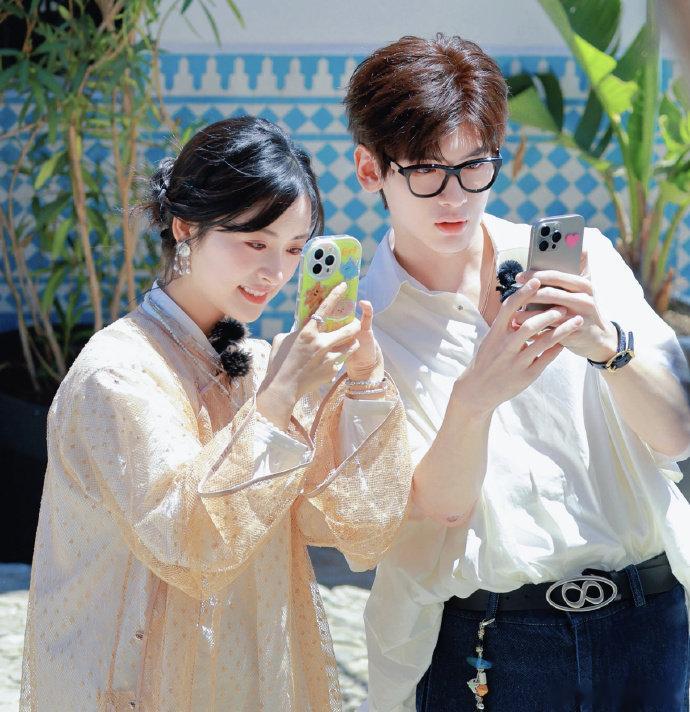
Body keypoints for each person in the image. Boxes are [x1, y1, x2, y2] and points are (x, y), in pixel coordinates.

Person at [343, 35, 690, 711]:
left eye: (474, 166)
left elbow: (676, 436)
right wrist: (475, 399)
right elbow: (438, 508)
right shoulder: (365, 330)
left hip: (645, 623)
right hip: (490, 644)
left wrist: (607, 348)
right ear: (369, 169)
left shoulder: (584, 264)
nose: (454, 195)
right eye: (426, 170)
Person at [19, 116, 412, 711]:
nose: (275, 272)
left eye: (294, 249)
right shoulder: (118, 372)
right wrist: (280, 397)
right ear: (185, 227)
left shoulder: (254, 365)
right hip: (135, 683)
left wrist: (364, 379)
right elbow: (190, 544)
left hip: (247, 676)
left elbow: (353, 523)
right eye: (254, 242)